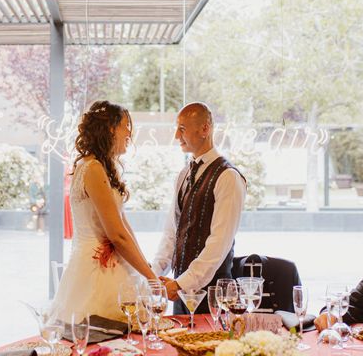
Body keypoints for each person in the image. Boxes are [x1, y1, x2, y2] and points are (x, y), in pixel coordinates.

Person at [51, 101, 156, 321]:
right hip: (95, 270)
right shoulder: (93, 169)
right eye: (126, 125)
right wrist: (153, 280)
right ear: (110, 128)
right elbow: (116, 235)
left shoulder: (103, 168)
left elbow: (124, 226)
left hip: (114, 265)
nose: (130, 132)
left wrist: (145, 266)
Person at [152, 102, 247, 314]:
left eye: (182, 129)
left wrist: (180, 283)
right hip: (182, 295)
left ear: (205, 129)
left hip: (215, 297)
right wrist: (152, 274)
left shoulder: (228, 177)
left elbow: (218, 244)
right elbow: (172, 233)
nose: (177, 135)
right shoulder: (183, 174)